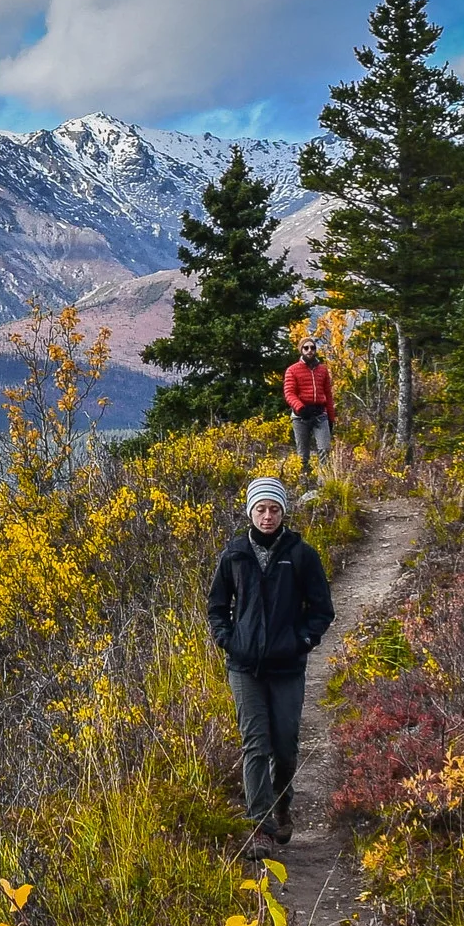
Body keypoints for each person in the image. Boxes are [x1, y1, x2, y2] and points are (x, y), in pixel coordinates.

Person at [205, 474, 335, 846]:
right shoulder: (234, 554)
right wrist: (228, 640)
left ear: (283, 512)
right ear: (250, 512)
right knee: (255, 745)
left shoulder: (301, 555)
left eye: (274, 509)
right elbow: (217, 606)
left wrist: (302, 640)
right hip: (244, 666)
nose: (267, 516)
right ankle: (259, 826)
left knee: (285, 747)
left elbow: (322, 610)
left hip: (287, 667)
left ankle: (281, 805)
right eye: (261, 509)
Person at [283, 337, 335, 475]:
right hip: (300, 416)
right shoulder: (292, 370)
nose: (309, 350)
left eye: (312, 348)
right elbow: (289, 393)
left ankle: (324, 480)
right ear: (301, 350)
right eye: (306, 348)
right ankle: (303, 480)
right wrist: (301, 408)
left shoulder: (322, 370)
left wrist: (331, 418)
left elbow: (328, 395)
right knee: (302, 454)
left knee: (325, 449)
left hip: (320, 414)